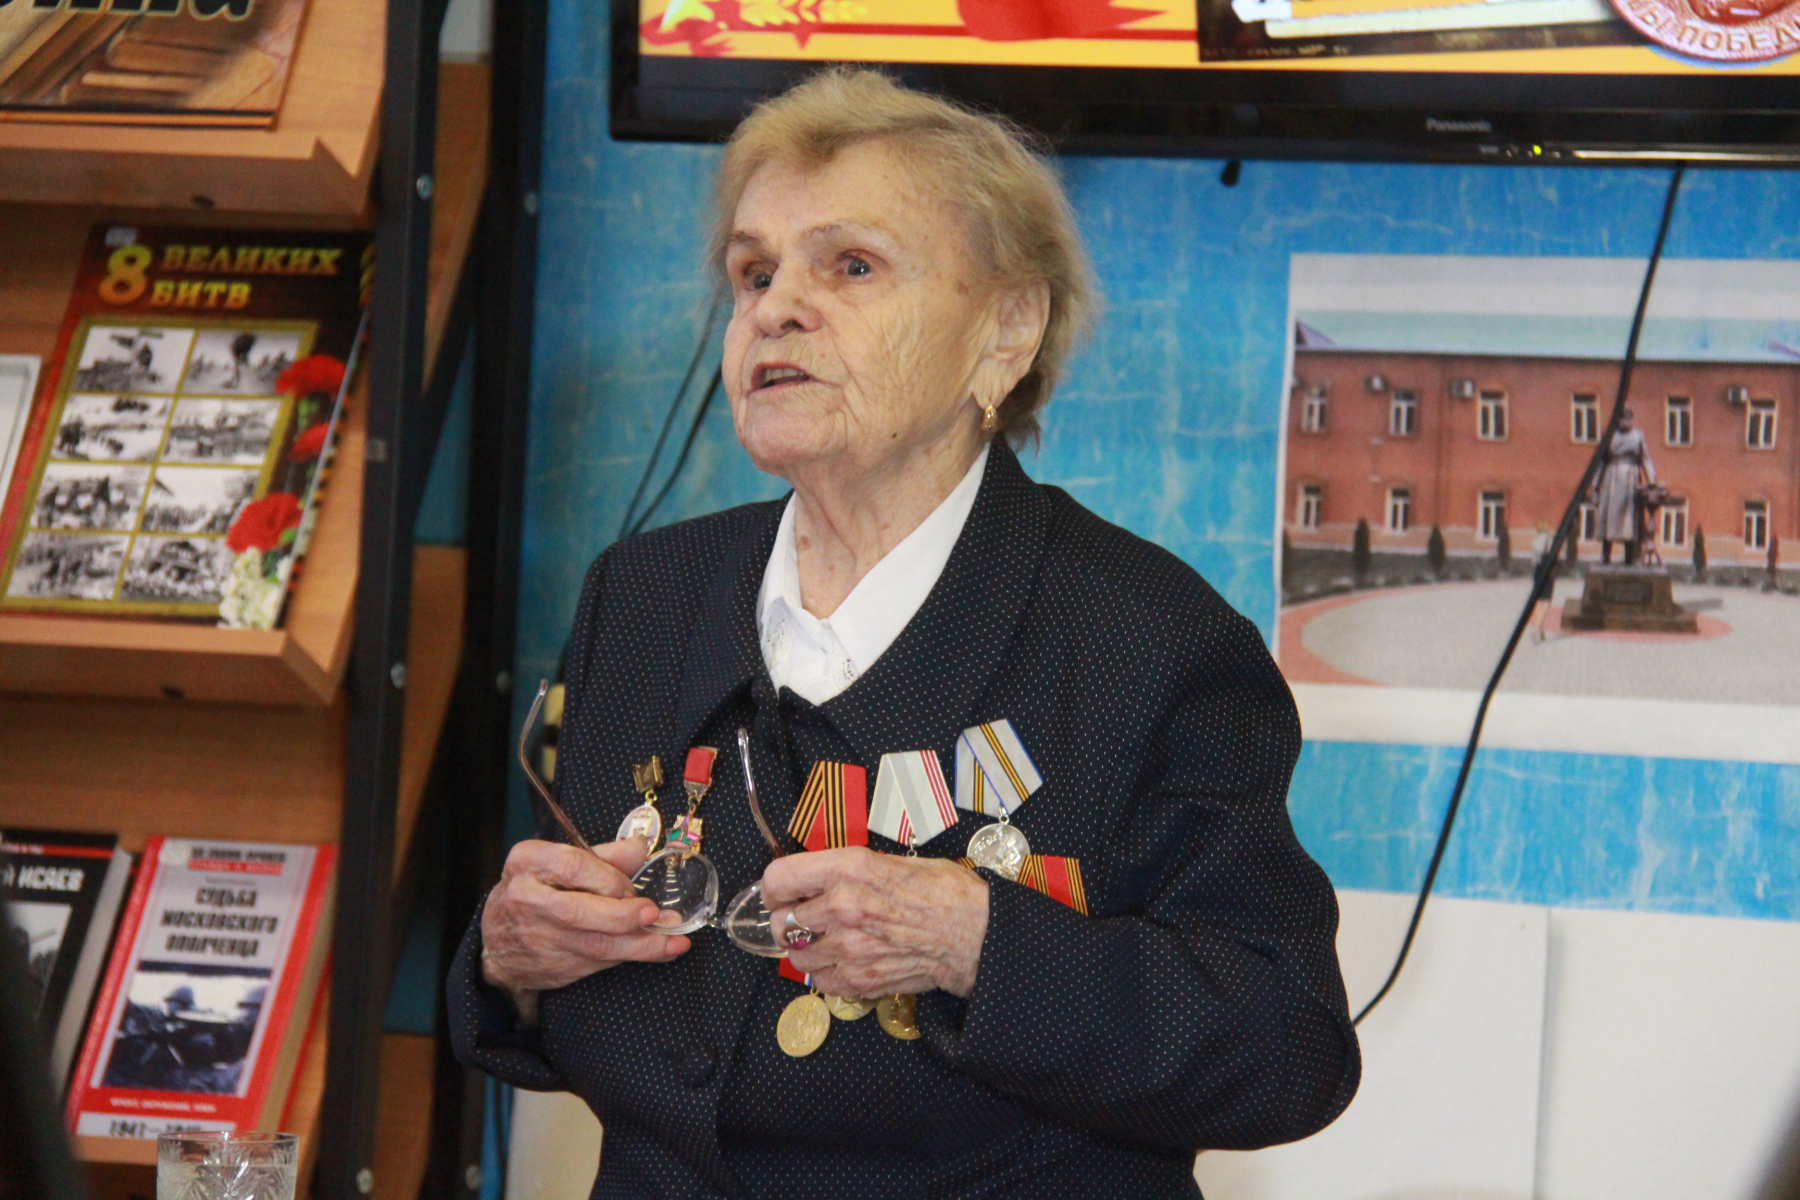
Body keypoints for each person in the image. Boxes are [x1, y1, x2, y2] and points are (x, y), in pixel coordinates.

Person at [450, 68, 1358, 1199]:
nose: (776, 307)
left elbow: (1290, 1047)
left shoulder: (1148, 638)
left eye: (852, 266)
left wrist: (981, 944)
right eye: (754, 272)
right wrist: (513, 960)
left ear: (1006, 330)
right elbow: (589, 995)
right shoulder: (643, 595)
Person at [1591, 406, 1656, 565]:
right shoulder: (1610, 435)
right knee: (1608, 517)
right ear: (1618, 419)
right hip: (1612, 478)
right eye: (1622, 417)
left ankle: (1629, 558)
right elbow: (1601, 461)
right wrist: (1595, 484)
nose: (1625, 421)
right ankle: (1605, 556)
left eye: (1628, 417)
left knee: (1629, 519)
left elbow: (1645, 458)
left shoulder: (1638, 436)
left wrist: (1652, 480)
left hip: (1631, 478)